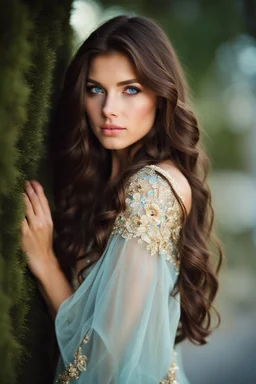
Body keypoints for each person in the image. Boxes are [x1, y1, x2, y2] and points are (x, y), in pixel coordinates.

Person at [21, 15, 223, 384]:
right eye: (95, 89)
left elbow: (107, 360)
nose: (109, 108)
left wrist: (46, 262)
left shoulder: (152, 189)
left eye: (130, 89)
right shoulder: (106, 179)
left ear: (161, 96)